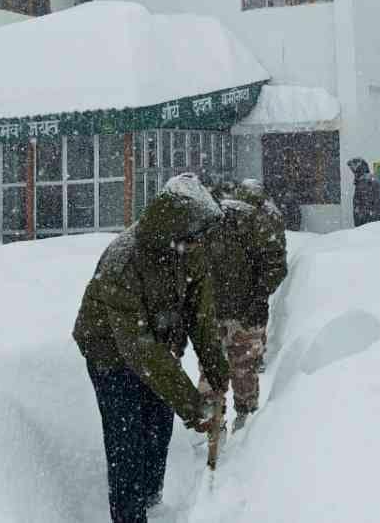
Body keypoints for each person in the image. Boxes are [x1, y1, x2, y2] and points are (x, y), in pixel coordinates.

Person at [73, 173, 230, 523]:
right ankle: (130, 516)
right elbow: (138, 350)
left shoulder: (189, 249)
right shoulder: (124, 261)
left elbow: (200, 315)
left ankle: (151, 502)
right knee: (126, 441)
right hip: (110, 355)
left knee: (158, 426)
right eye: (194, 235)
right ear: (174, 228)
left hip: (155, 345)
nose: (200, 242)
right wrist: (194, 407)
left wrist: (217, 370)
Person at [198, 178, 288, 432]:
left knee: (236, 368)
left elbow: (274, 264)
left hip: (238, 311)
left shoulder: (249, 221)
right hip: (220, 312)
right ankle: (222, 423)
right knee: (225, 369)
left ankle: (240, 423)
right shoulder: (204, 225)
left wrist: (258, 296)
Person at [347, 157, 380, 227]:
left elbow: (366, 207)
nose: (352, 170)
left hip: (368, 225)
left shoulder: (365, 182)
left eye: (353, 168)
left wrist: (361, 223)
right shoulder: (366, 180)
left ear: (359, 168)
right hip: (372, 224)